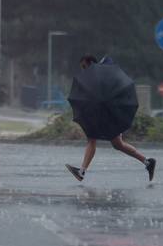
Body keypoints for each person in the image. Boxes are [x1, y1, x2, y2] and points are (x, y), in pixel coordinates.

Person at [66, 54, 156, 182]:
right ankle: (148, 162)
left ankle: (82, 172)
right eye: (82, 68)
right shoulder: (94, 80)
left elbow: (110, 67)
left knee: (93, 139)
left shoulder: (102, 75)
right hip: (104, 113)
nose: (83, 71)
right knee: (117, 144)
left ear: (92, 64)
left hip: (111, 112)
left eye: (85, 66)